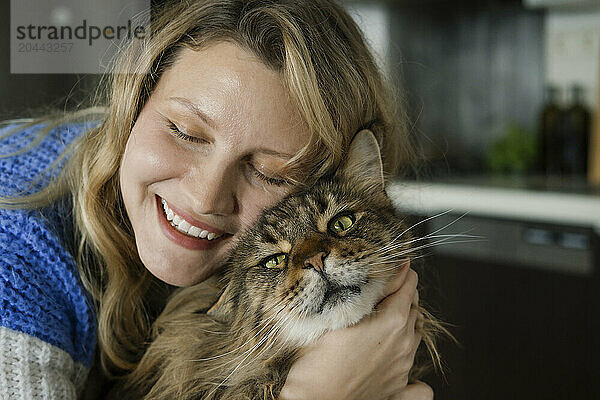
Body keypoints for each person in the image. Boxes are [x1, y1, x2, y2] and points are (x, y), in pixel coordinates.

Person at [0, 0, 434, 399]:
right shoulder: (13, 253)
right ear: (131, 104)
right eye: (184, 132)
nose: (204, 197)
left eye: (269, 172)